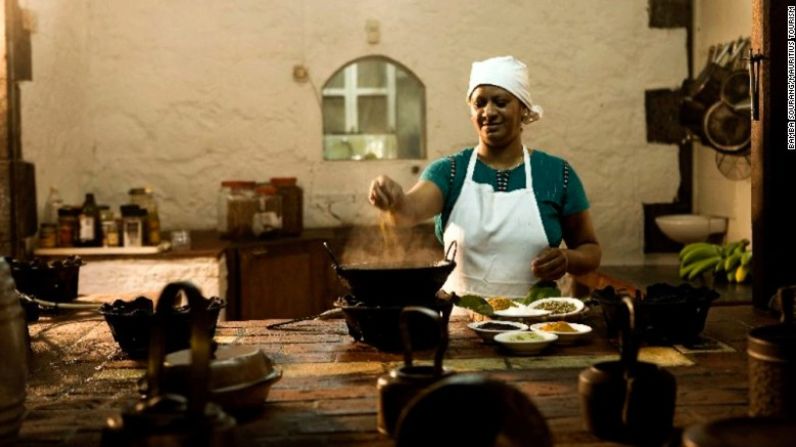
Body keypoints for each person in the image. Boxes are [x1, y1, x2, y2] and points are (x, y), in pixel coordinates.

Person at [369, 55, 601, 299]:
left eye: (500, 102)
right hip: (461, 324)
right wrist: (393, 199)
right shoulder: (449, 171)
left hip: (534, 326)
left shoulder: (557, 174)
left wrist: (567, 258)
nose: (488, 112)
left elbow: (590, 250)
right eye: (479, 104)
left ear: (523, 108)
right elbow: (408, 211)